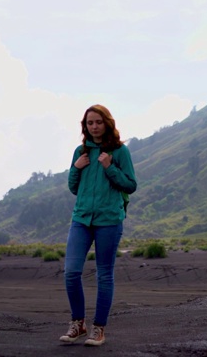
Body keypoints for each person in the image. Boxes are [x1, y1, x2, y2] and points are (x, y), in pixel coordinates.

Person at [59, 104, 137, 347]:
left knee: (104, 275)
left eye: (98, 122)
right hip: (81, 219)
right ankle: (78, 324)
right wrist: (76, 167)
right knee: (71, 273)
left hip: (109, 221)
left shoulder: (120, 151)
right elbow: (74, 187)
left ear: (107, 123)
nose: (94, 126)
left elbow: (130, 185)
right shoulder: (80, 152)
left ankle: (98, 329)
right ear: (85, 126)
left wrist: (109, 167)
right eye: (90, 123)